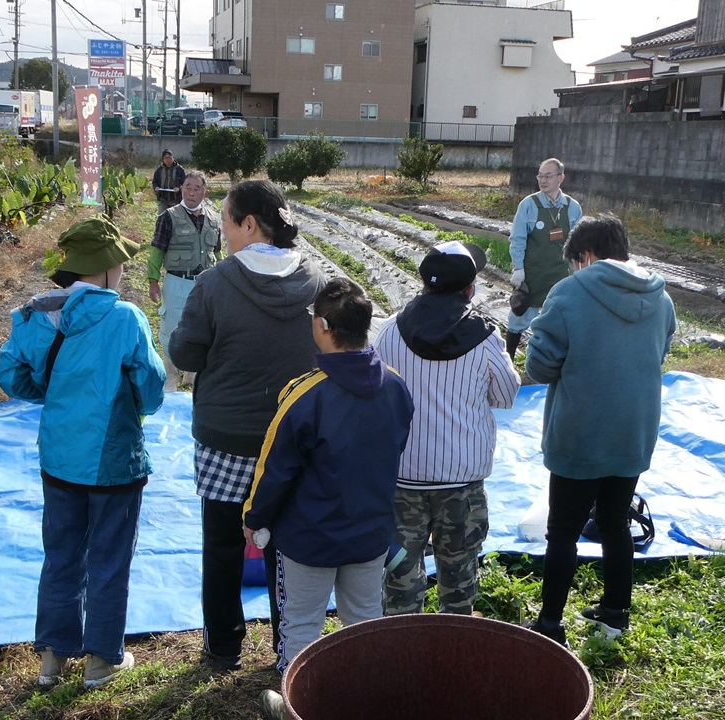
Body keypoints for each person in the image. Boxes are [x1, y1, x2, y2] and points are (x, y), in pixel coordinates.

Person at [0, 215, 166, 688]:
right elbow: (152, 386)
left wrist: (54, 395)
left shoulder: (36, 314)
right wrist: (132, 405)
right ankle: (101, 660)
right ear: (108, 267)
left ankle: (53, 657)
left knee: (61, 555)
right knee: (109, 559)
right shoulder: (124, 317)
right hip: (113, 459)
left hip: (58, 455)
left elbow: (10, 374)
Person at [169, 179, 327, 673]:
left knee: (222, 545)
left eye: (227, 221)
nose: (224, 231)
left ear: (250, 224)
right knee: (288, 547)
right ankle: (290, 649)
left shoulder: (216, 283)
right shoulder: (316, 281)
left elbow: (185, 353)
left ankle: (223, 648)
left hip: (226, 439)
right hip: (295, 441)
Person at [243, 278, 413, 718]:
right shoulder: (395, 386)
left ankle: (298, 706)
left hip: (309, 538)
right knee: (364, 621)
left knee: (301, 624)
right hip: (370, 534)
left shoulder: (304, 394)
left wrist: (254, 517)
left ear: (322, 326)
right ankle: (363, 704)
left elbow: (274, 469)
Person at [524, 215, 676, 646]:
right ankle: (614, 616)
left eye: (575, 260)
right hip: (634, 431)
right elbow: (660, 352)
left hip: (581, 434)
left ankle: (550, 625)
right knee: (615, 522)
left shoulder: (570, 292)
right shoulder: (661, 298)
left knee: (563, 531)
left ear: (586, 256)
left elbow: (539, 367)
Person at [375, 241, 520, 616]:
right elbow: (506, 395)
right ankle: (453, 643)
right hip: (461, 481)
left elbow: (375, 393)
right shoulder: (485, 339)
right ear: (470, 290)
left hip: (403, 478)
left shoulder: (390, 331)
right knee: (459, 578)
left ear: (424, 283)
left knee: (400, 578)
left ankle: (401, 646)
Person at [147, 171, 223, 391]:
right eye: (187, 187)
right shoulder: (168, 217)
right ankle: (171, 375)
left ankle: (192, 374)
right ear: (181, 189)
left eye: (196, 188)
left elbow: (217, 253)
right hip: (177, 281)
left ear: (204, 192)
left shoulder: (213, 219)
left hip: (205, 284)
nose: (191, 192)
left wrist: (224, 278)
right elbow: (157, 250)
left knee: (203, 327)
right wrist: (153, 281)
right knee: (171, 328)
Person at [506, 157, 583, 359]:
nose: (543, 180)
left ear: (561, 178)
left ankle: (548, 363)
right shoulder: (529, 205)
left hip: (559, 275)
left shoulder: (572, 207)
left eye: (548, 176)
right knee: (519, 318)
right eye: (540, 176)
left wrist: (579, 274)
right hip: (532, 275)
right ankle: (508, 360)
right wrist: (518, 268)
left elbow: (576, 246)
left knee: (557, 321)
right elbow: (518, 239)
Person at [151, 149, 186, 214]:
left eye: (169, 158)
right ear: (163, 160)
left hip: (176, 200)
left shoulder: (179, 169)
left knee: (175, 217)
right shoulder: (159, 170)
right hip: (163, 199)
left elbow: (185, 183)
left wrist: (179, 188)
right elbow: (154, 181)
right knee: (162, 216)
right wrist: (156, 187)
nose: (168, 160)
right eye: (166, 158)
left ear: (173, 158)